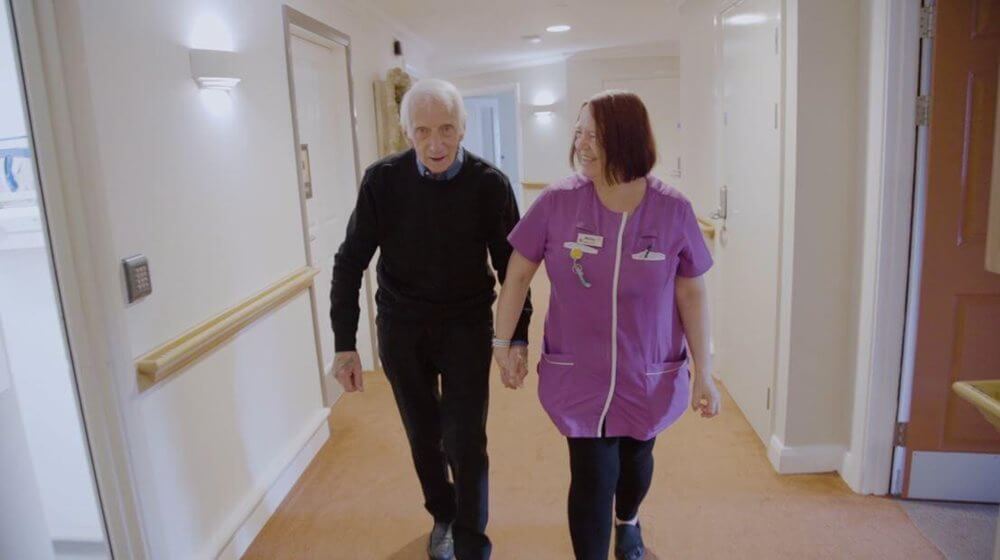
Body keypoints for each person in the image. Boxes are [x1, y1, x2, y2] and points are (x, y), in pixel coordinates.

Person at [491, 90, 720, 560]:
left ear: (626, 138)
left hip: (646, 369)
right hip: (580, 371)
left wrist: (705, 371)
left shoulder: (672, 210)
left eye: (594, 135)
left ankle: (628, 518)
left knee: (635, 464)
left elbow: (691, 293)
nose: (581, 144)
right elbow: (517, 275)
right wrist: (502, 341)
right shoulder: (558, 202)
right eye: (578, 133)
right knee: (592, 476)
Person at [329, 78, 530, 560]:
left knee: (465, 439)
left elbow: (514, 270)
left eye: (446, 129)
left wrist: (515, 338)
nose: (435, 143)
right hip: (402, 327)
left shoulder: (489, 184)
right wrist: (344, 343)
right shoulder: (382, 181)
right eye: (422, 131)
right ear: (407, 132)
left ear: (463, 128)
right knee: (424, 436)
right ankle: (443, 514)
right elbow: (349, 261)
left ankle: (471, 540)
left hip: (466, 325)